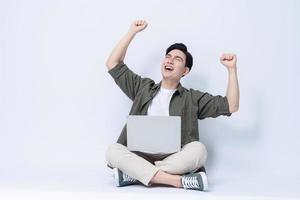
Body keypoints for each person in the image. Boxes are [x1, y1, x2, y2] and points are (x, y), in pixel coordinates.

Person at [105, 20, 240, 191]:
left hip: (173, 159)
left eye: (177, 59)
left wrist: (231, 69)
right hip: (138, 155)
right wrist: (132, 32)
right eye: (168, 57)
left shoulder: (192, 98)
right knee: (112, 151)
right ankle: (177, 181)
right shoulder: (142, 87)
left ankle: (135, 174)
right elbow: (113, 64)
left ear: (185, 71)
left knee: (199, 150)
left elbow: (231, 106)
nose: (170, 61)